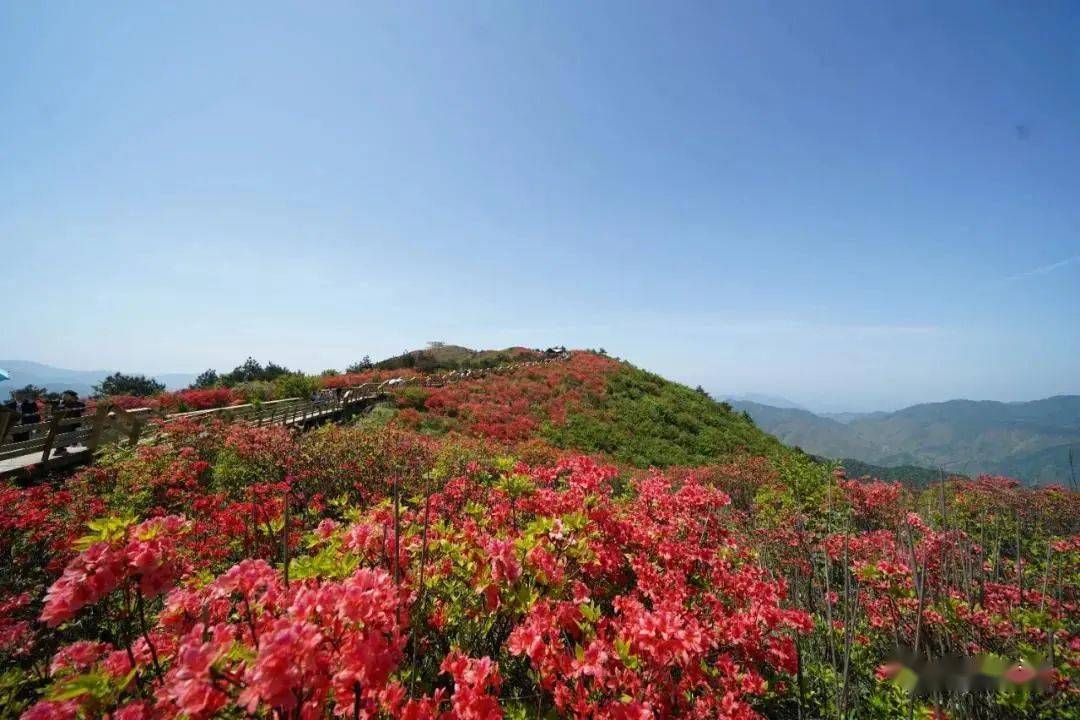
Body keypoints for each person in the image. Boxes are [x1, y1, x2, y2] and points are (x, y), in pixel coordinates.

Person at [53, 390, 86, 456]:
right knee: (63, 430)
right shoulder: (62, 403)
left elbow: (83, 408)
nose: (63, 396)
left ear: (70, 396)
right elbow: (56, 410)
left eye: (65, 395)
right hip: (65, 426)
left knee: (65, 431)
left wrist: (72, 403)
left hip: (70, 425)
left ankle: (60, 449)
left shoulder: (76, 403)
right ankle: (60, 449)